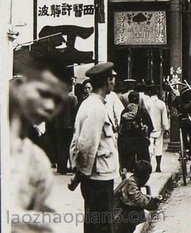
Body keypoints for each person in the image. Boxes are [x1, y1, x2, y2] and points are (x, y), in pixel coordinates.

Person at [9, 50, 72, 232]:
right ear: (20, 84)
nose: (50, 106)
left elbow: (47, 220)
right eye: (44, 93)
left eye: (59, 101)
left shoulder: (36, 160)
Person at [69, 62, 120, 233]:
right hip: (98, 177)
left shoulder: (89, 104)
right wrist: (80, 173)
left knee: (94, 225)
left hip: (95, 174)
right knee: (102, 227)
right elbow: (86, 144)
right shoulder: (97, 108)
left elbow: (77, 142)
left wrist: (78, 172)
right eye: (112, 78)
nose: (114, 82)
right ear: (107, 81)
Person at [113, 160, 162, 233]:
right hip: (117, 217)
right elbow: (138, 199)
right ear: (146, 177)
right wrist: (152, 201)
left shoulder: (131, 181)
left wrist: (153, 199)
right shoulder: (130, 183)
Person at [118, 91, 152, 176]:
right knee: (142, 160)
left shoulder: (124, 111)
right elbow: (150, 125)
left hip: (128, 141)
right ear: (139, 100)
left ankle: (125, 171)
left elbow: (121, 127)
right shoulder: (142, 111)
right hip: (140, 140)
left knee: (127, 160)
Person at [52, 81, 78, 174]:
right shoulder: (73, 98)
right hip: (69, 126)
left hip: (58, 125)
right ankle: (68, 166)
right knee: (68, 146)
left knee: (60, 146)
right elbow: (75, 112)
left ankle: (61, 168)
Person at [145, 85, 170, 172]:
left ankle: (149, 166)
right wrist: (166, 128)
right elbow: (164, 117)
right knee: (159, 148)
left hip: (148, 128)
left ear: (149, 93)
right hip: (158, 128)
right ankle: (158, 166)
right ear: (157, 93)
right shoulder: (161, 104)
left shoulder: (146, 103)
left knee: (149, 147)